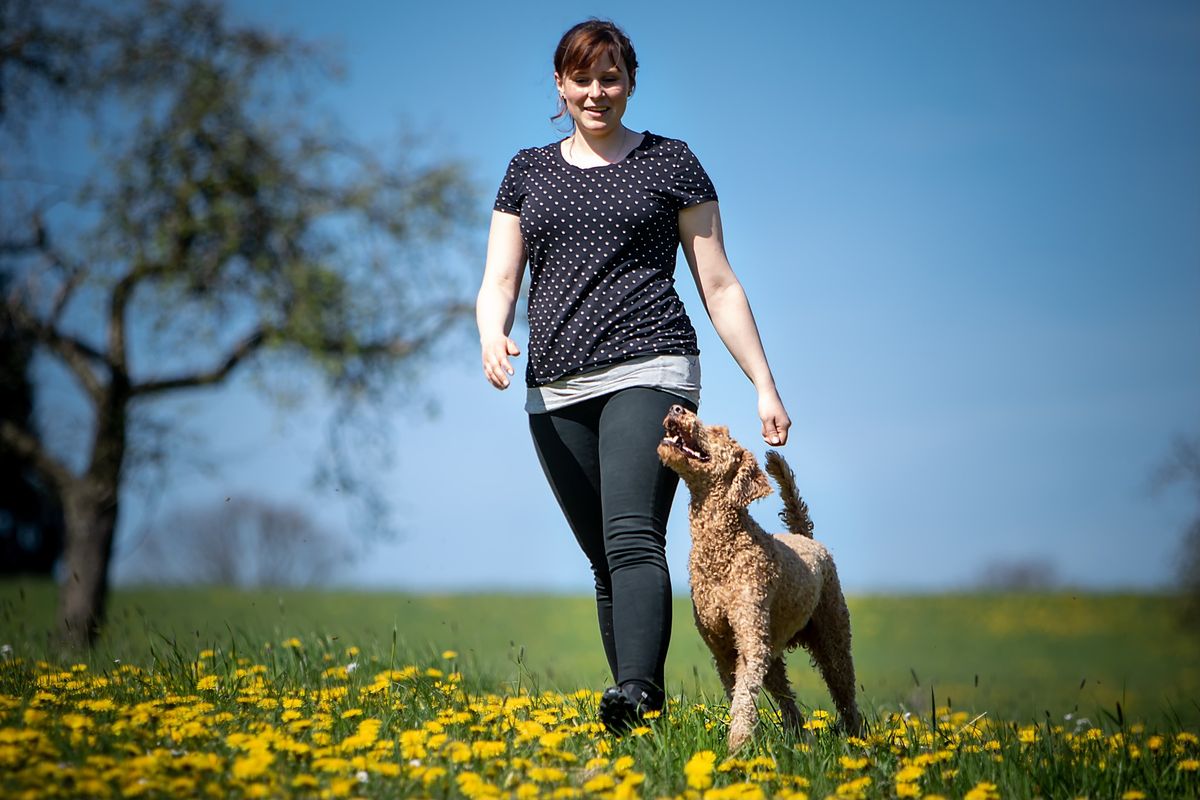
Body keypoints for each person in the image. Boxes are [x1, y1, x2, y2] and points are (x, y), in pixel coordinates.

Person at [475, 18, 790, 733]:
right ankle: (635, 718)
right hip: (555, 386)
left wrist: (763, 383)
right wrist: (490, 332)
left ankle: (639, 691)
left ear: (630, 81)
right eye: (581, 78)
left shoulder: (671, 162)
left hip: (651, 363)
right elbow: (499, 277)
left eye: (610, 76)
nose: (596, 91)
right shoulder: (527, 171)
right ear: (560, 86)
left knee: (632, 538)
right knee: (602, 558)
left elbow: (719, 284)